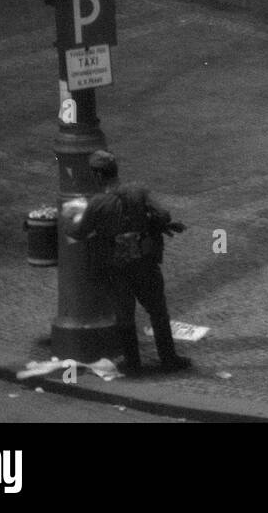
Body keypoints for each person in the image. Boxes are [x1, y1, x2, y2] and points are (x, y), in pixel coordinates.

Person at [69, 151, 191, 375]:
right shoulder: (138, 191)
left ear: (97, 175)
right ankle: (168, 359)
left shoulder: (97, 203)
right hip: (144, 261)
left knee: (124, 315)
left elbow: (78, 233)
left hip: (116, 267)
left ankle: (133, 364)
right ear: (115, 170)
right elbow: (163, 215)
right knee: (158, 310)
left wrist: (76, 217)